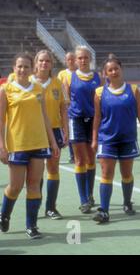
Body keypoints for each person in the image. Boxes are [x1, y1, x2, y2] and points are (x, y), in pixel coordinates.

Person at [0, 53, 59, 239]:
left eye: (26, 66)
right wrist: (1, 146)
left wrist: (53, 141)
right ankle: (4, 214)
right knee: (15, 186)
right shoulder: (5, 90)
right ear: (13, 68)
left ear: (32, 68)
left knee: (34, 185)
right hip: (17, 143)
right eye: (20, 66)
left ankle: (31, 225)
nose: (23, 70)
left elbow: (45, 117)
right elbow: (1, 121)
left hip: (39, 142)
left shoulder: (38, 89)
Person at [91, 54, 140, 223]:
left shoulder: (133, 90)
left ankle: (127, 202)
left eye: (116, 68)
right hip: (107, 140)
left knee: (126, 173)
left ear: (121, 69)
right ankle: (104, 211)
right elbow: (97, 118)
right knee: (106, 173)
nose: (113, 72)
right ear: (105, 73)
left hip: (127, 139)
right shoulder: (99, 93)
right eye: (110, 70)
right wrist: (95, 139)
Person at [64, 46, 102, 214]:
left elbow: (102, 100)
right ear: (75, 60)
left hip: (93, 121)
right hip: (77, 121)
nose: (83, 60)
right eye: (80, 58)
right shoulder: (69, 78)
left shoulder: (97, 77)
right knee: (79, 160)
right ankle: (83, 200)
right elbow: (65, 104)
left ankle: (90, 194)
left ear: (90, 59)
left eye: (86, 57)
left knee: (91, 159)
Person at [32, 50, 69, 220]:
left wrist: (66, 130)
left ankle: (51, 207)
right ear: (36, 63)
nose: (44, 64)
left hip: (54, 130)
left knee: (53, 168)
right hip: (35, 131)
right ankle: (35, 205)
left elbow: (63, 108)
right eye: (41, 61)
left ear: (52, 64)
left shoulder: (58, 83)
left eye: (47, 61)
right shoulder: (29, 83)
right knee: (36, 171)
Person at [58, 51, 77, 164]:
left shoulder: (79, 73)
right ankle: (72, 154)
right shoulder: (62, 74)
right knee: (68, 130)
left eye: (73, 59)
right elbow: (60, 89)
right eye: (69, 59)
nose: (71, 61)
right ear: (65, 61)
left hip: (78, 106)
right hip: (67, 106)